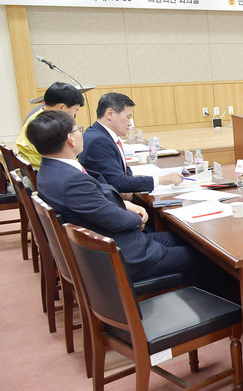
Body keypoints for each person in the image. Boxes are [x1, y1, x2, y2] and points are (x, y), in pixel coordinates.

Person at [26, 110, 197, 282]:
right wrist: (138, 219)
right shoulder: (72, 181)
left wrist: (123, 204)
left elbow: (96, 201)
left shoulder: (48, 170)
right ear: (70, 139)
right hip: (120, 256)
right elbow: (117, 220)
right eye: (78, 130)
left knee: (184, 239)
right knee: (203, 255)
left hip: (107, 245)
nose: (81, 134)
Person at [79, 92, 182, 193]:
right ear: (110, 114)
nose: (130, 124)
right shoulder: (98, 141)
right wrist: (160, 180)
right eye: (128, 117)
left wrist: (130, 182)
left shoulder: (98, 133)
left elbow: (123, 171)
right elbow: (117, 182)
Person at [16, 82, 85, 168]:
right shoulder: (48, 125)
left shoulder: (37, 117)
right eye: (76, 109)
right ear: (61, 107)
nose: (75, 114)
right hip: (45, 169)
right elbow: (64, 160)